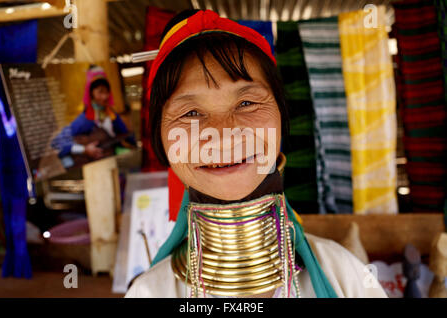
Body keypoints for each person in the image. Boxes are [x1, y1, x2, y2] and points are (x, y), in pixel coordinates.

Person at [125, 9, 387, 298]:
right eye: (191, 112)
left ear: (282, 118)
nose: (224, 134)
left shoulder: (346, 277)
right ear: (160, 141)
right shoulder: (150, 293)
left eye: (247, 103)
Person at [51, 65, 135, 168]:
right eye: (100, 92)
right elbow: (57, 142)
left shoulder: (112, 116)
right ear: (91, 94)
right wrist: (84, 149)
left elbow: (128, 137)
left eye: (106, 92)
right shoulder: (84, 120)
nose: (105, 96)